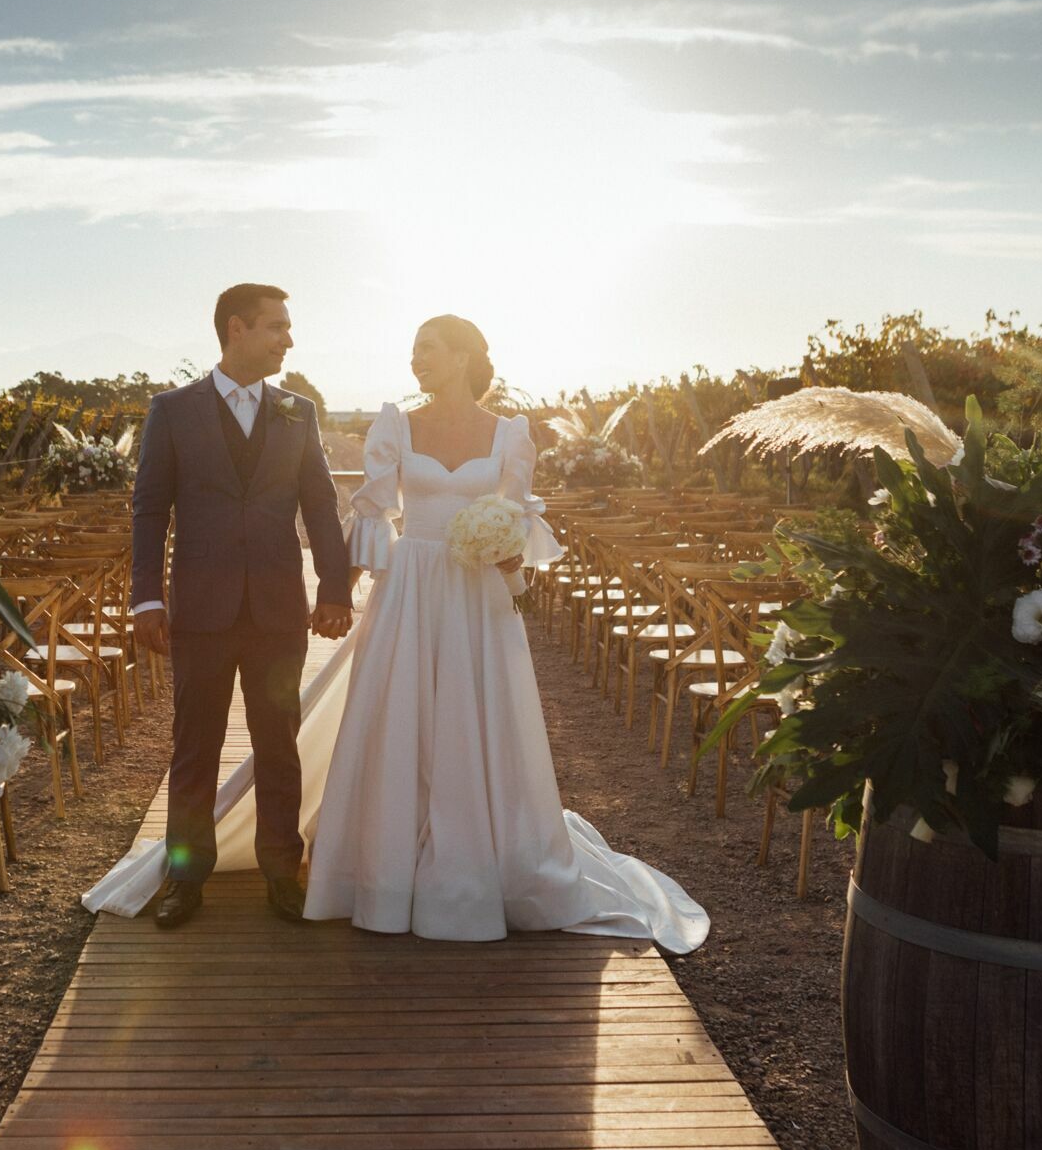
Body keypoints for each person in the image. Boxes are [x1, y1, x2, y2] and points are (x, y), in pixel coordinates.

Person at [88, 313, 706, 952]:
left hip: (472, 598)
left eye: (427, 349)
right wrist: (338, 589)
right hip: (402, 590)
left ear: (463, 356)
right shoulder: (391, 425)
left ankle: (413, 866)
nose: (416, 360)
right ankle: (222, 875)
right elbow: (368, 510)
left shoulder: (508, 433)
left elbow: (508, 514)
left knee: (452, 720)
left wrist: (505, 552)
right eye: (413, 350)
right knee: (375, 719)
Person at [123, 283, 353, 931]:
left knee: (279, 743)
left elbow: (321, 505)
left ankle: (282, 871)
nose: (288, 339)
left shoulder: (298, 412)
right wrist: (147, 597)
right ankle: (184, 877)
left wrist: (335, 589)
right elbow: (149, 509)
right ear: (237, 329)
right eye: (276, 326)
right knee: (194, 746)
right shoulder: (173, 411)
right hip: (201, 610)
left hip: (279, 609)